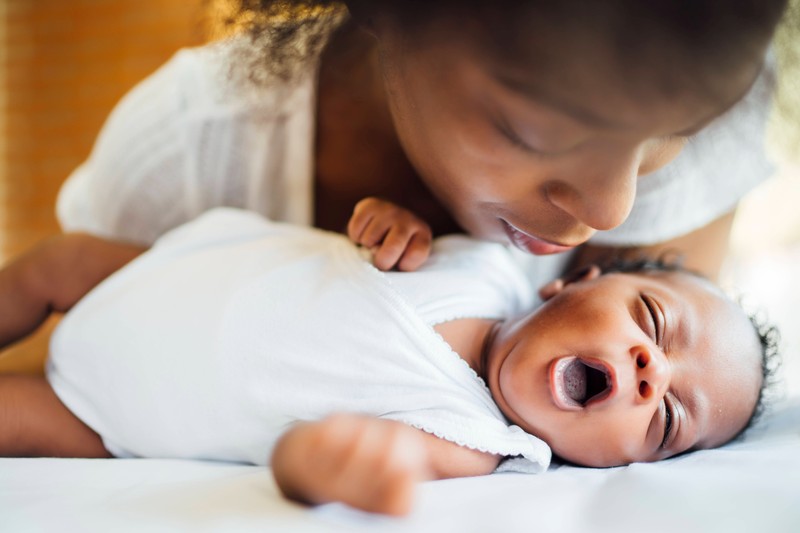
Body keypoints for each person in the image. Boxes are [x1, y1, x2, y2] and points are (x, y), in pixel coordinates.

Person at [0, 199, 777, 516]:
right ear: (574, 285)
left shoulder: (478, 444)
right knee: (52, 263)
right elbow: (377, 240)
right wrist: (390, 223)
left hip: (121, 415)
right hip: (168, 273)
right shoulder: (490, 263)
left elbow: (325, 456)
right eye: (652, 321)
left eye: (668, 416)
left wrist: (331, 463)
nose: (651, 370)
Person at [55, 0, 789, 289]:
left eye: (680, 132)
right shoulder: (189, 153)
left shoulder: (686, 137)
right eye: (533, 132)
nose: (610, 204)